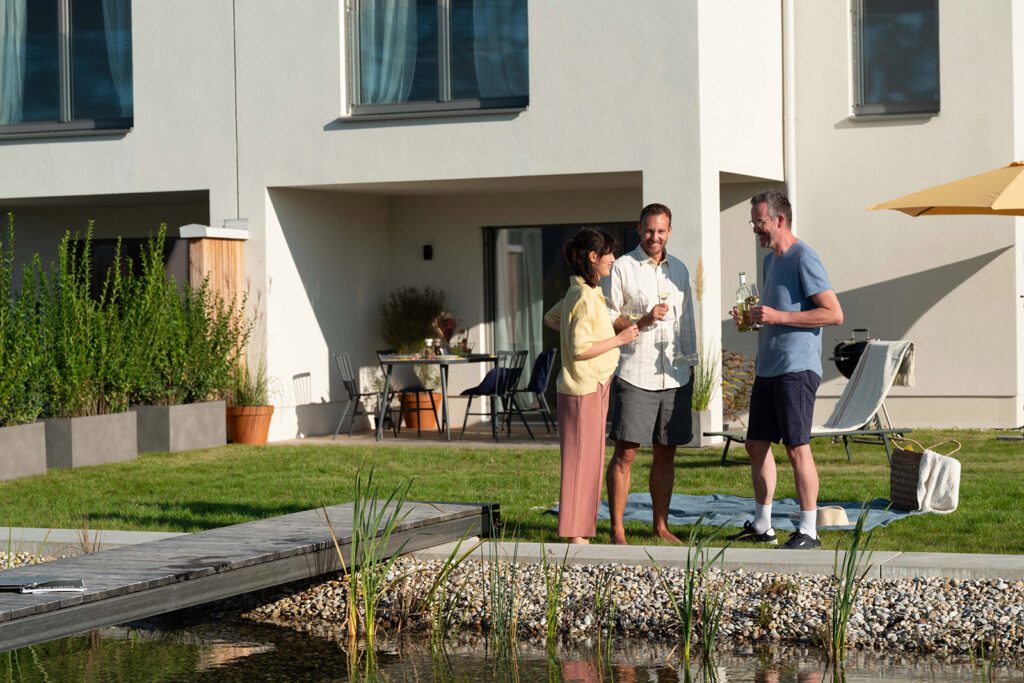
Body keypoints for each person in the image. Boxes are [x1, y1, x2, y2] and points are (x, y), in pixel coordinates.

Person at [728, 190, 843, 549]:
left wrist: (779, 316)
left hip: (797, 369)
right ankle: (763, 524)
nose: (755, 230)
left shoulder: (804, 258)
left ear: (779, 220)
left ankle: (809, 530)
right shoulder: (769, 262)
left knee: (796, 447)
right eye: (753, 223)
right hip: (769, 368)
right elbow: (774, 314)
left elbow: (833, 313)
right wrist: (754, 319)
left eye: (759, 222)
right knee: (756, 444)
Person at [605, 203, 698, 545]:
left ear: (669, 231)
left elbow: (687, 320)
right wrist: (641, 320)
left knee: (666, 452)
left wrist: (691, 362)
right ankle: (618, 529)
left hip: (674, 375)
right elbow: (609, 316)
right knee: (626, 453)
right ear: (639, 229)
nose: (654, 237)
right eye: (648, 230)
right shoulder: (622, 267)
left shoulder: (681, 270)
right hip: (635, 371)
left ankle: (660, 525)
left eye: (660, 231)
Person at [545, 229, 638, 544]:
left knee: (588, 464)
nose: (613, 259)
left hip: (591, 385)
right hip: (583, 389)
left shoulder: (582, 291)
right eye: (608, 253)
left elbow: (551, 318)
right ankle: (576, 536)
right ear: (592, 257)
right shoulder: (584, 296)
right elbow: (581, 347)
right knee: (582, 465)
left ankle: (580, 532)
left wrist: (573, 334)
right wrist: (619, 339)